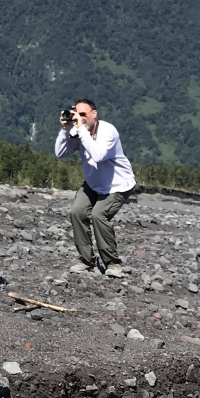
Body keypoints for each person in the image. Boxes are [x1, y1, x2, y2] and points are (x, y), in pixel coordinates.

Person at [55, 98, 135, 278]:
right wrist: (66, 129)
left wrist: (80, 129)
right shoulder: (79, 131)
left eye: (83, 114)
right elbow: (61, 153)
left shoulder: (108, 131)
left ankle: (113, 264)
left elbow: (98, 155)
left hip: (117, 185)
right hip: (93, 184)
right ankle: (87, 261)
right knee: (77, 212)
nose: (80, 118)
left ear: (94, 114)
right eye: (77, 114)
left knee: (99, 215)